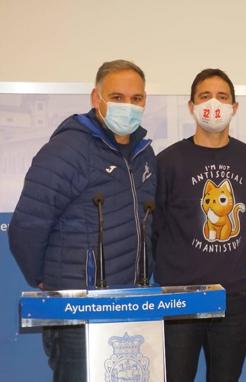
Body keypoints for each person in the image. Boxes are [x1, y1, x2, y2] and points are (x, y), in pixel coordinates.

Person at [9, 59, 156, 381]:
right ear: (96, 98)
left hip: (129, 304)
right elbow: (27, 225)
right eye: (117, 97)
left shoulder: (144, 153)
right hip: (78, 310)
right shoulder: (69, 148)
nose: (128, 106)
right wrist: (47, 282)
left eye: (136, 99)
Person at [153, 68, 246, 382]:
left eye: (222, 96)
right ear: (191, 106)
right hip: (178, 297)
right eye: (204, 96)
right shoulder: (168, 162)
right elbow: (156, 222)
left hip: (232, 299)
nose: (213, 104)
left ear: (235, 107)